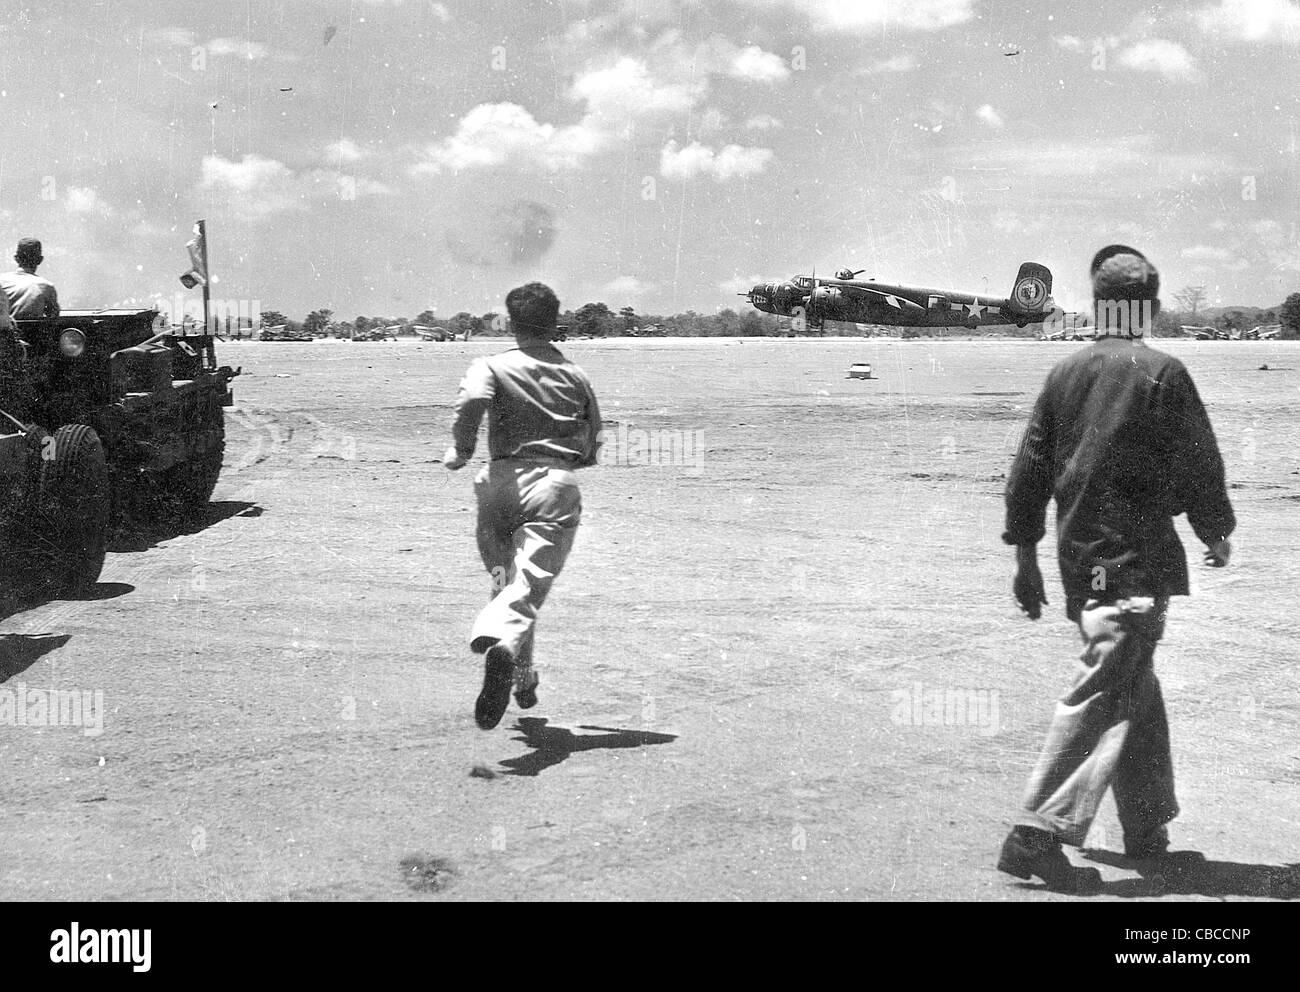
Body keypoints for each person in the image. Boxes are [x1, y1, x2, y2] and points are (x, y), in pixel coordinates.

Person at [996, 245, 1235, 893]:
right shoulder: (1163, 372)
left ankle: (1146, 833)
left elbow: (1028, 474)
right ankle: (1035, 833)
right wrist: (1215, 531)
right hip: (1134, 567)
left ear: (1099, 306)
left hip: (1081, 565)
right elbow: (1199, 465)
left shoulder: (1065, 374)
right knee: (1106, 685)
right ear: (1150, 308)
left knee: (1135, 687)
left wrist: (1025, 557)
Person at [444, 283, 602, 730]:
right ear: (555, 322)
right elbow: (593, 437)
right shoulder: (576, 375)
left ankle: (522, 677)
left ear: (511, 323)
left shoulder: (490, 365)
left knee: (506, 584)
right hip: (550, 487)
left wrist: (461, 448)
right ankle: (499, 644)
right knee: (528, 584)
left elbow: (473, 401)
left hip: (497, 486)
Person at [0, 238, 60, 320]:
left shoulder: (1, 281)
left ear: (16, 259)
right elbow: (53, 316)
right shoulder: (46, 287)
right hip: (33, 332)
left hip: (5, 332)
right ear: (40, 260)